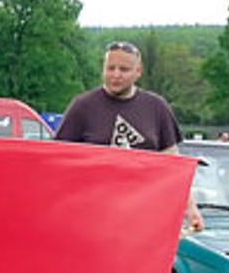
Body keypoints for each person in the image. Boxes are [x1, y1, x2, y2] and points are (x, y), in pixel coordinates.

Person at [54, 41, 202, 231]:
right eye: (110, 68)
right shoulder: (82, 107)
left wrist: (190, 208)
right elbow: (59, 163)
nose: (116, 75)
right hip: (91, 218)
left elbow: (172, 164)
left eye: (124, 69)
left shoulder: (156, 107)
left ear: (137, 71)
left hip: (143, 217)